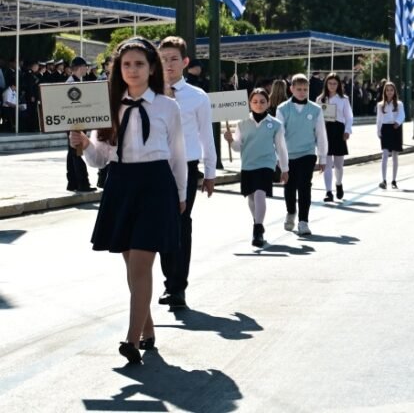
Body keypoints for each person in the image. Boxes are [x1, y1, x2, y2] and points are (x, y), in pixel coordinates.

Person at [69, 37, 187, 365]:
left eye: (139, 64)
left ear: (152, 68)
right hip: (121, 184)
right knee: (132, 266)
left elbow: (178, 154)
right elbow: (100, 159)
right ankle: (147, 329)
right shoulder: (107, 105)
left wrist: (180, 194)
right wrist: (82, 146)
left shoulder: (168, 106)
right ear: (118, 70)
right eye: (126, 64)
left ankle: (131, 340)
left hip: (156, 185)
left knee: (140, 264)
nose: (132, 70)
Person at [156, 37, 217, 310]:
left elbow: (207, 136)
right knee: (160, 227)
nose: (168, 64)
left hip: (188, 167)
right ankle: (169, 281)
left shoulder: (197, 96)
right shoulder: (149, 93)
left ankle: (178, 286)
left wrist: (211, 172)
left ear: (185, 62)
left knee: (181, 224)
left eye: (173, 59)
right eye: (163, 59)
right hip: (156, 167)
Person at [224, 88, 289, 248]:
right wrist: (231, 140)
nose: (258, 105)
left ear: (268, 103)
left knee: (260, 193)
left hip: (266, 164)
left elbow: (281, 148)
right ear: (249, 104)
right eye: (255, 102)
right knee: (251, 198)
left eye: (262, 101)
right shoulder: (242, 124)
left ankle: (257, 230)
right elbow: (238, 147)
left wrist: (285, 168)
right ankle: (257, 221)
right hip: (248, 165)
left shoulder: (275, 124)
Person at [275, 75, 327, 236]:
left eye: (305, 89)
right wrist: (279, 157)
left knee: (304, 186)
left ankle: (303, 221)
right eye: (299, 89)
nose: (302, 92)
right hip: (288, 155)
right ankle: (291, 212)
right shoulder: (282, 109)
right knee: (289, 186)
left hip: (307, 153)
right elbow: (279, 134)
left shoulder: (316, 109)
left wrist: (322, 157)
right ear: (291, 89)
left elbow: (321, 134)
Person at [318, 72, 353, 203]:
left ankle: (338, 183)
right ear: (326, 84)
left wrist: (347, 130)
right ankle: (328, 192)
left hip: (339, 131)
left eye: (334, 83)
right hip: (325, 131)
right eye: (330, 83)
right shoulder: (320, 99)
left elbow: (349, 116)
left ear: (338, 85)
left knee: (338, 165)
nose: (332, 86)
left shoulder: (343, 99)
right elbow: (317, 118)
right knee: (327, 164)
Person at [64, 57, 95, 193]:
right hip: (74, 124)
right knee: (77, 153)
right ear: (79, 67)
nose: (86, 69)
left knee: (72, 153)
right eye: (85, 66)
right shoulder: (71, 83)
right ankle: (83, 183)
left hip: (76, 122)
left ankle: (72, 182)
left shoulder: (76, 82)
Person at [376, 81, 405, 189]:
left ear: (394, 91)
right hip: (385, 129)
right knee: (384, 154)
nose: (389, 92)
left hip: (395, 128)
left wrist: (398, 122)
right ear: (384, 92)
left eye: (391, 90)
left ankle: (394, 180)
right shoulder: (380, 105)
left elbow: (402, 115)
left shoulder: (399, 104)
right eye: (387, 90)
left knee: (394, 155)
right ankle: (383, 180)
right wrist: (378, 131)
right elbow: (378, 119)